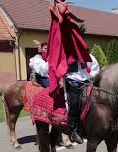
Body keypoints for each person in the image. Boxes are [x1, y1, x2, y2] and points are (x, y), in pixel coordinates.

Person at [47, 0, 94, 144]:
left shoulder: (83, 54)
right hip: (72, 80)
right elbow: (59, 35)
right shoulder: (64, 53)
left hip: (86, 80)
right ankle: (73, 129)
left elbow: (93, 67)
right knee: (74, 101)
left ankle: (87, 126)